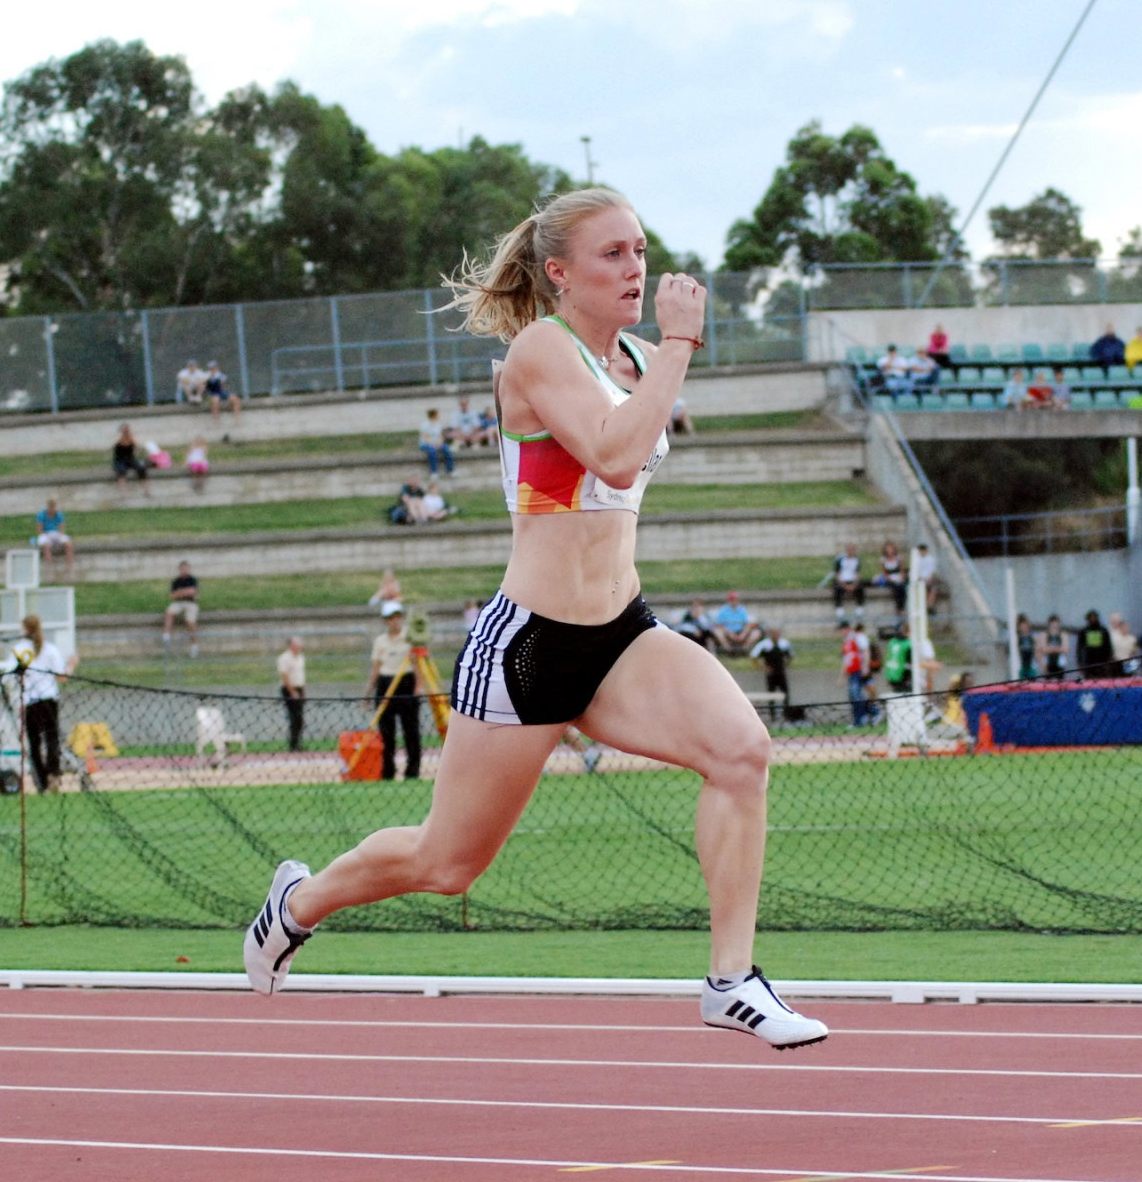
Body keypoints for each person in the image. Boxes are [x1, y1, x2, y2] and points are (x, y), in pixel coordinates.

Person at [243, 189, 827, 1047]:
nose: (637, 268)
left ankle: (731, 981)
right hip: (531, 645)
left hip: (622, 634)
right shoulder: (538, 351)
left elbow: (628, 445)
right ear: (559, 273)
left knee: (741, 753)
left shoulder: (632, 356)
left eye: (640, 250)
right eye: (614, 255)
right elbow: (617, 456)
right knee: (447, 863)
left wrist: (661, 352)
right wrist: (682, 343)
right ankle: (297, 903)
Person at [16, 613, 76, 792]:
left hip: (30, 701)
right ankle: (54, 775)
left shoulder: (21, 650)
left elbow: (17, 677)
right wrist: (71, 665)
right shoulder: (50, 649)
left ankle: (40, 780)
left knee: (34, 742)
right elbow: (61, 677)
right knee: (52, 739)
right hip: (48, 700)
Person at [368, 602, 422, 781]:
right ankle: (388, 771)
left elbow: (417, 663)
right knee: (387, 733)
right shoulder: (380, 642)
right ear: (385, 621)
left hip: (405, 682)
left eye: (398, 617)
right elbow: (376, 668)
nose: (395, 621)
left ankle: (412, 770)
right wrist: (369, 692)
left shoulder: (410, 638)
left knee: (411, 730)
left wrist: (417, 687)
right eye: (391, 618)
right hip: (385, 684)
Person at [748, 625, 793, 710]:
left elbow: (790, 656)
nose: (776, 635)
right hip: (771, 672)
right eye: (774, 633)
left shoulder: (784, 644)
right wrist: (763, 667)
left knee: (786, 693)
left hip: (781, 671)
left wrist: (787, 665)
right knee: (771, 693)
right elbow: (753, 656)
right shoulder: (764, 645)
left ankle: (787, 712)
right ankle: (772, 714)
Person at [162, 561, 199, 656]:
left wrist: (180, 592)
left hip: (190, 603)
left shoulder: (192, 579)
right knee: (169, 612)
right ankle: (166, 636)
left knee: (190, 621)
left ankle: (194, 645)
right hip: (178, 603)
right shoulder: (176, 581)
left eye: (186, 568)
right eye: (182, 568)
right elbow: (172, 596)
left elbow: (193, 592)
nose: (184, 570)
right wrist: (184, 592)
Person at [278, 636, 307, 752]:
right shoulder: (284, 658)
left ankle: (298, 743)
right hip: (289, 689)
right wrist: (292, 692)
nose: (299, 647)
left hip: (299, 688)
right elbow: (284, 676)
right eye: (297, 645)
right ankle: (293, 745)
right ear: (292, 646)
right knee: (294, 717)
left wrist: (303, 692)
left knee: (300, 718)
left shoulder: (301, 657)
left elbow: (301, 676)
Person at [841, 620, 873, 725]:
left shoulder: (857, 637)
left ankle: (862, 718)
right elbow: (846, 659)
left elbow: (866, 651)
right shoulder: (847, 641)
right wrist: (843, 675)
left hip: (858, 670)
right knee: (855, 695)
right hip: (852, 671)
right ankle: (870, 713)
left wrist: (865, 667)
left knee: (856, 695)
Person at [35, 498, 75, 572]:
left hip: (56, 534)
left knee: (68, 545)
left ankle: (70, 567)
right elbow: (39, 530)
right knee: (46, 546)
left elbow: (62, 529)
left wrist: (58, 536)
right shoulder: (41, 515)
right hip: (45, 534)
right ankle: (49, 569)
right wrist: (47, 535)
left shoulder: (59, 514)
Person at [871, 540, 907, 615]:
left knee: (901, 588)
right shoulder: (883, 560)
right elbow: (885, 573)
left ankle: (901, 608)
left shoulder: (898, 559)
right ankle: (899, 609)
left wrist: (901, 578)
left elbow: (902, 571)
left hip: (898, 578)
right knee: (896, 588)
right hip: (890, 579)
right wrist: (891, 579)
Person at [830, 543, 864, 619]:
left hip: (852, 581)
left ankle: (859, 607)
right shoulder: (840, 560)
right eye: (849, 550)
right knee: (837, 589)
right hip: (842, 581)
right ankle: (839, 608)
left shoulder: (857, 560)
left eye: (852, 550)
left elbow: (858, 574)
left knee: (861, 587)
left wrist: (854, 585)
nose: (850, 552)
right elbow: (837, 574)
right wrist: (844, 585)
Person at [112, 424, 150, 494]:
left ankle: (146, 489)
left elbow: (138, 447)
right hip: (119, 460)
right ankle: (122, 491)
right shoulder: (118, 440)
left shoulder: (131, 439)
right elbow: (114, 445)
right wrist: (121, 437)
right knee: (121, 471)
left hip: (130, 459)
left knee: (141, 468)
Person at [1075, 610, 1112, 678]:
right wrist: (1080, 662)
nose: (1093, 619)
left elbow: (1108, 647)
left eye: (1094, 617)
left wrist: (1108, 661)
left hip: (1102, 662)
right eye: (1091, 617)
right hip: (1088, 663)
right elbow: (1079, 648)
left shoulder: (1103, 630)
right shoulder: (1084, 631)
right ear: (1088, 619)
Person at [418, 407, 454, 477]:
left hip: (437, 444)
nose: (438, 416)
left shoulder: (438, 425)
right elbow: (425, 438)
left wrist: (440, 443)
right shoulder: (425, 425)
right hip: (426, 444)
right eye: (437, 415)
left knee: (447, 449)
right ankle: (434, 472)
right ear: (433, 415)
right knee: (432, 451)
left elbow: (440, 436)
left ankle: (450, 470)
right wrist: (434, 444)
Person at [910, 543, 945, 612]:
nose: (922, 552)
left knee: (933, 588)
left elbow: (932, 572)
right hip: (920, 580)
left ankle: (930, 606)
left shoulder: (931, 559)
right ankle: (927, 606)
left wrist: (928, 579)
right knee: (923, 587)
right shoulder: (917, 560)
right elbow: (916, 573)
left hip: (928, 580)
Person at [1107, 611, 1138, 676]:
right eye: (1114, 620)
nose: (1116, 622)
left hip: (1128, 662)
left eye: (1118, 620)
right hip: (1115, 663)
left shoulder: (1131, 638)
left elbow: (1134, 651)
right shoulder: (1109, 634)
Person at [1014, 613, 1037, 680]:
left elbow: (1037, 650)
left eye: (1025, 625)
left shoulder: (1032, 637)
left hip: (1031, 665)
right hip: (1021, 666)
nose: (1024, 627)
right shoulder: (1017, 638)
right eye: (1021, 625)